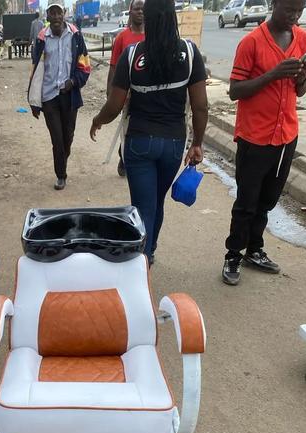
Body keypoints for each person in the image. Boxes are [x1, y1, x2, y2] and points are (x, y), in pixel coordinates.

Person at [90, 0, 208, 265]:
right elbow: (200, 107)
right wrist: (197, 143)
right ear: (173, 19)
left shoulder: (132, 56)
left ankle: (142, 260)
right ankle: (149, 249)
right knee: (156, 202)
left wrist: (98, 120)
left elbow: (115, 105)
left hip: (139, 144)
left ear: (150, 21)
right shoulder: (189, 54)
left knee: (143, 206)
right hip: (173, 145)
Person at [221, 0, 306, 286]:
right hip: (255, 136)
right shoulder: (251, 42)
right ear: (274, 4)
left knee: (268, 199)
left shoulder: (302, 38)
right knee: (247, 201)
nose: (294, 17)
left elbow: (302, 89)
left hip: (286, 134)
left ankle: (255, 249)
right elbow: (235, 90)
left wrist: (300, 79)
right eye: (289, 10)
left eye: (299, 11)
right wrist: (273, 74)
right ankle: (233, 254)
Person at [28, 3, 92, 190]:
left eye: (59, 13)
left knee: (68, 136)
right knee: (57, 138)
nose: (55, 17)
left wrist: (73, 81)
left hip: (69, 96)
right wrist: (34, 101)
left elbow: (85, 66)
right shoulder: (41, 38)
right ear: (47, 15)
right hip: (49, 97)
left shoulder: (76, 36)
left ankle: (63, 157)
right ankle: (61, 175)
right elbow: (35, 70)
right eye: (52, 13)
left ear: (64, 14)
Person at [107, 0, 145, 177]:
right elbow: (113, 67)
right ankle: (124, 157)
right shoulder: (122, 38)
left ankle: (132, 159)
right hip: (126, 94)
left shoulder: (153, 36)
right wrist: (111, 94)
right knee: (127, 129)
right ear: (130, 12)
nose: (140, 12)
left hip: (147, 95)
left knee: (142, 130)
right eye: (137, 9)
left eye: (143, 9)